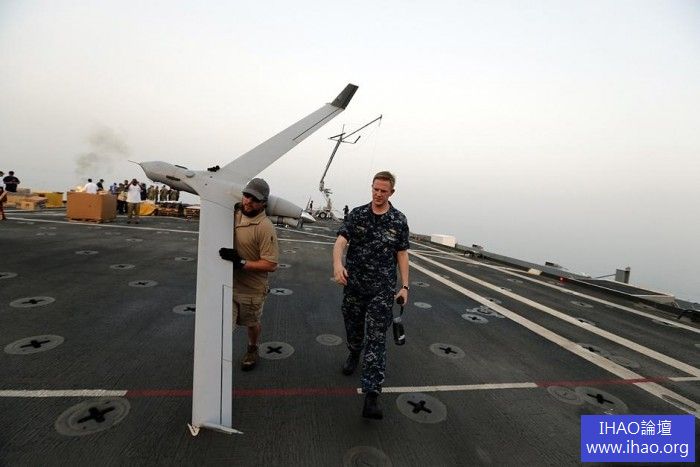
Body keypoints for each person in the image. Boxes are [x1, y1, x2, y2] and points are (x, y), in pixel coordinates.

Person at [332, 171, 410, 420]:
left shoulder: (399, 220)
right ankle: (354, 351)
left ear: (391, 192)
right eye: (375, 189)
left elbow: (402, 254)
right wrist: (337, 264)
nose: (378, 194)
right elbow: (341, 241)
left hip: (382, 290)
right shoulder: (357, 214)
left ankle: (372, 395)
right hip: (354, 286)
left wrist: (405, 286)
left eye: (383, 191)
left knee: (376, 339)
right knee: (353, 327)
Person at [219, 178, 279, 371]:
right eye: (246, 196)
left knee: (252, 323)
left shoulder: (265, 227)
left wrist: (242, 263)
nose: (248, 201)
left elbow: (271, 264)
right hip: (228, 282)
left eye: (255, 199)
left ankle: (252, 348)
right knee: (223, 325)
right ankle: (216, 358)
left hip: (251, 289)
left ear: (264, 203)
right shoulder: (232, 213)